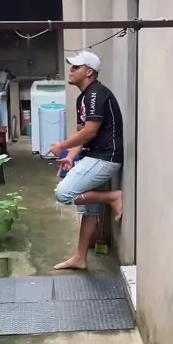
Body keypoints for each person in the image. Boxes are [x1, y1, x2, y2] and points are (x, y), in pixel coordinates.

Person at [49, 50, 124, 271]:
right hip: (94, 157)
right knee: (88, 211)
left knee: (63, 194)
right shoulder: (84, 97)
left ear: (89, 72)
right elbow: (82, 133)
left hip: (105, 158)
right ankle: (80, 258)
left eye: (76, 67)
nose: (71, 71)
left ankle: (112, 197)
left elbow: (91, 131)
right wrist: (71, 156)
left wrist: (62, 146)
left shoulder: (96, 94)